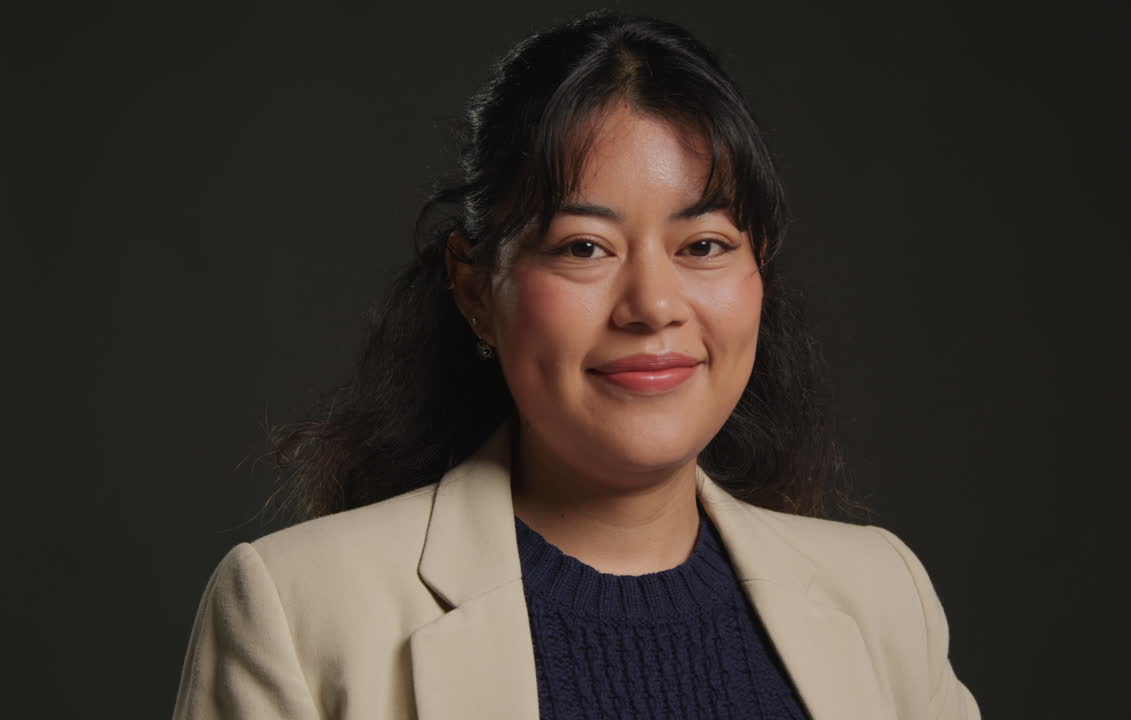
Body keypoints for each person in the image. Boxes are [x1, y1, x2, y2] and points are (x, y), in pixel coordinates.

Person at [173, 10, 980, 719]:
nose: (652, 305)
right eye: (583, 248)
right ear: (474, 288)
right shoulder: (298, 606)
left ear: (758, 273)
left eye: (703, 245)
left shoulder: (882, 595)